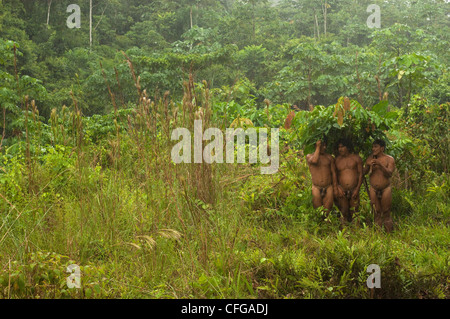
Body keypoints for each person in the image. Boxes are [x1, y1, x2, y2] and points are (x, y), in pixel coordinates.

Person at [363, 139, 396, 232]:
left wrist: (380, 164)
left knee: (386, 211)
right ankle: (378, 234)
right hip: (373, 188)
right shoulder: (370, 158)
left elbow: (389, 173)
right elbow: (364, 173)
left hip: (385, 188)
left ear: (382, 148)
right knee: (376, 212)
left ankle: (389, 234)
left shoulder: (389, 159)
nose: (373, 149)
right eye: (373, 147)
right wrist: (367, 165)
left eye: (376, 146)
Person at [334, 139, 363, 224]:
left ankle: (356, 233)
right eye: (339, 147)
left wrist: (357, 189)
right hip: (342, 190)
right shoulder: (337, 160)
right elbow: (334, 175)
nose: (340, 149)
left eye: (342, 147)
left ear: (348, 147)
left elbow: (360, 174)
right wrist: (338, 187)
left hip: (354, 189)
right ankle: (344, 233)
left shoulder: (356, 158)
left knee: (355, 212)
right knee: (344, 212)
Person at [306, 139, 338, 216]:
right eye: (322, 145)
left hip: (328, 187)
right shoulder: (309, 156)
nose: (325, 147)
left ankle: (327, 226)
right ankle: (319, 226)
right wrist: (318, 147)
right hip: (316, 187)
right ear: (316, 146)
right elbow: (314, 161)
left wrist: (335, 188)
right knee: (318, 211)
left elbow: (333, 173)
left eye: (325, 145)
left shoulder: (329, 158)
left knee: (327, 211)